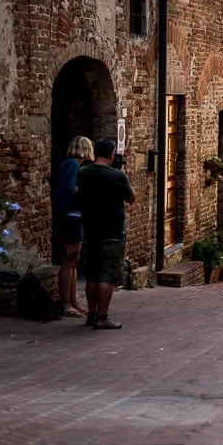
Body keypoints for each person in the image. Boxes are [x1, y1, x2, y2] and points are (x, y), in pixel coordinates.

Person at [75, 138, 136, 329]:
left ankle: (91, 314)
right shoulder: (116, 176)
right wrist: (123, 177)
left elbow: (76, 193)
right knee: (107, 274)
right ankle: (102, 317)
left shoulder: (82, 173)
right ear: (111, 155)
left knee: (92, 274)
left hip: (90, 229)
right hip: (112, 231)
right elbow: (131, 198)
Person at [52, 136, 94, 318]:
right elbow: (69, 188)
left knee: (73, 262)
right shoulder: (72, 165)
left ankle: (74, 301)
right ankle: (66, 304)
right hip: (71, 218)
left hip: (74, 218)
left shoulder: (71, 164)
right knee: (68, 262)